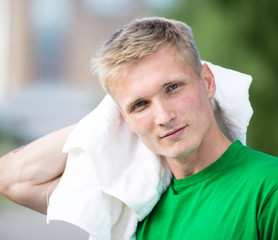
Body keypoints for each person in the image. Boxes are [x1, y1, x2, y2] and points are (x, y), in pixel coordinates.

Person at [0, 17, 277, 239]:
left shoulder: (268, 188)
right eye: (140, 104)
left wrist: (133, 105)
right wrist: (105, 119)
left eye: (173, 87)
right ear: (122, 119)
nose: (164, 116)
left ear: (207, 81)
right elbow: (11, 179)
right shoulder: (133, 202)